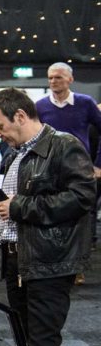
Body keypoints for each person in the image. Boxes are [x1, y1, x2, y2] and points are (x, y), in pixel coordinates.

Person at [0, 88, 94, 346]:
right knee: (25, 340)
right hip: (16, 262)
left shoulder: (65, 146)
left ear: (20, 116)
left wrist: (17, 206)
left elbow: (82, 198)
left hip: (49, 263)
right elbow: (10, 210)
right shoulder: (14, 154)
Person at [36, 62, 101, 286]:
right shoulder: (40, 106)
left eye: (59, 78)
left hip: (80, 171)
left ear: (70, 79)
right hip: (49, 170)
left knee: (80, 220)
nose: (54, 81)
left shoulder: (85, 103)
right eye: (51, 77)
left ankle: (77, 269)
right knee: (51, 217)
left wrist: (98, 164)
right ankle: (55, 266)